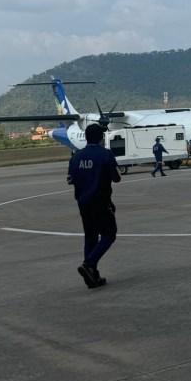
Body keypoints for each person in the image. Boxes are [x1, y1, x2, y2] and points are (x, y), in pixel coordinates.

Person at [67, 122, 120, 288]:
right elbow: (117, 178)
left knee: (90, 237)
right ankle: (89, 264)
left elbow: (70, 179)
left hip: (83, 203)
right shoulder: (106, 154)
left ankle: (92, 275)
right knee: (109, 234)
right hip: (101, 202)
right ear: (101, 137)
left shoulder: (76, 156)